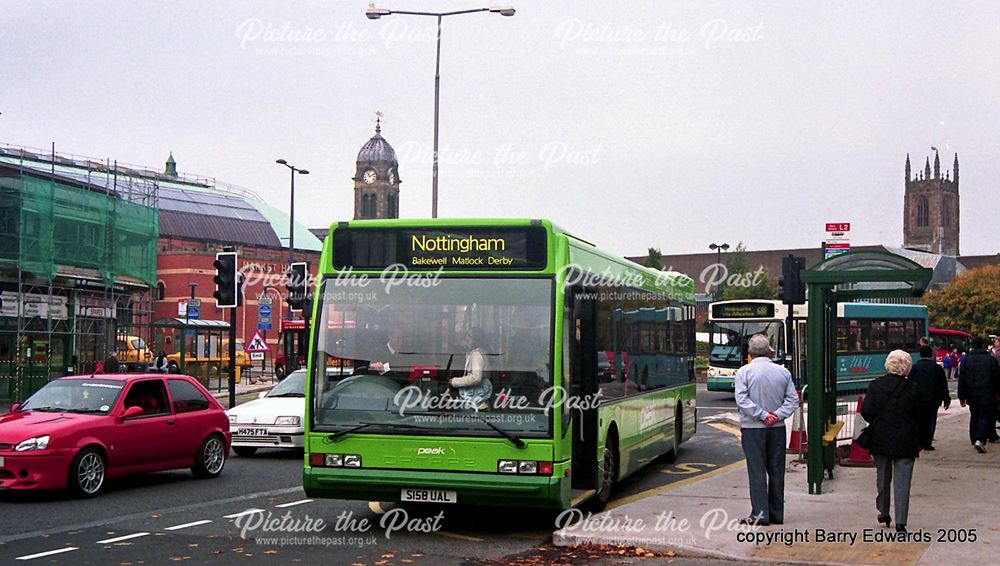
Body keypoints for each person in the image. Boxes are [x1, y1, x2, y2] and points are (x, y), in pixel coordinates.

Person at [734, 334, 798, 526]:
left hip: (753, 427)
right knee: (777, 470)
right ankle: (777, 513)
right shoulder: (783, 372)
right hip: (777, 428)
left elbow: (742, 399)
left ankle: (760, 514)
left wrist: (762, 415)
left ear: (750, 353)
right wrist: (776, 415)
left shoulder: (743, 372)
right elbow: (793, 400)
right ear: (770, 351)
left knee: (757, 471)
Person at [861, 350, 920, 533]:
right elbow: (921, 414)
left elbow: (867, 411)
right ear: (907, 367)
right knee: (903, 482)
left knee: (883, 476)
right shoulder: (913, 387)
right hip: (905, 439)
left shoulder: (876, 385)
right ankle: (901, 522)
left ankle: (883, 510)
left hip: (881, 437)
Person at [957, 337, 1000, 453]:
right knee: (984, 416)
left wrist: (961, 396)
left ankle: (974, 437)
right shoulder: (991, 360)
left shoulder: (966, 360)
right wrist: (997, 392)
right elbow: (997, 378)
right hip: (987, 392)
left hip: (972, 393)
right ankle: (980, 438)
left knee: (974, 415)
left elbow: (962, 379)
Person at [908, 345, 951, 450]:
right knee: (931, 420)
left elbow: (909, 383)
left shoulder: (914, 368)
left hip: (917, 399)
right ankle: (928, 442)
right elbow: (943, 385)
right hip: (933, 399)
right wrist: (946, 399)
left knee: (918, 420)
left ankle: (918, 441)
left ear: (920, 354)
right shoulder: (937, 368)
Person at [449, 328, 493, 409]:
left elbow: (476, 377)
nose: (465, 343)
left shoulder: (476, 355)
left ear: (475, 340)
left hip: (475, 403)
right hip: (478, 400)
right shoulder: (482, 353)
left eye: (467, 340)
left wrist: (454, 381)